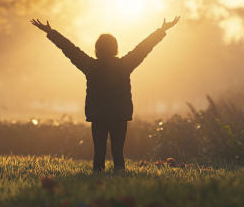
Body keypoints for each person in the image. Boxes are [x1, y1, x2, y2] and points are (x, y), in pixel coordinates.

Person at [31, 17, 180, 171]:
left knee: (99, 152)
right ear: (115, 48)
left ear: (97, 49)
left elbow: (70, 49)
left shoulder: (89, 66)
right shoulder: (125, 65)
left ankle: (98, 178)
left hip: (98, 116)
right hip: (119, 115)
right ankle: (120, 177)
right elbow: (143, 48)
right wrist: (162, 31)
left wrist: (50, 32)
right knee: (118, 151)